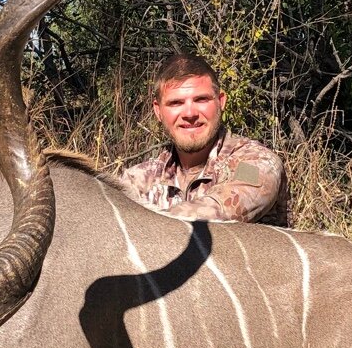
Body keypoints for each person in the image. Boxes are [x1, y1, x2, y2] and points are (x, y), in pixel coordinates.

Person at [119, 54, 289, 225]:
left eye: (201, 99)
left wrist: (140, 226)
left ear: (221, 102)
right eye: (176, 103)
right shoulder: (136, 181)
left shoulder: (256, 163)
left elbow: (223, 209)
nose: (190, 114)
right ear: (158, 111)